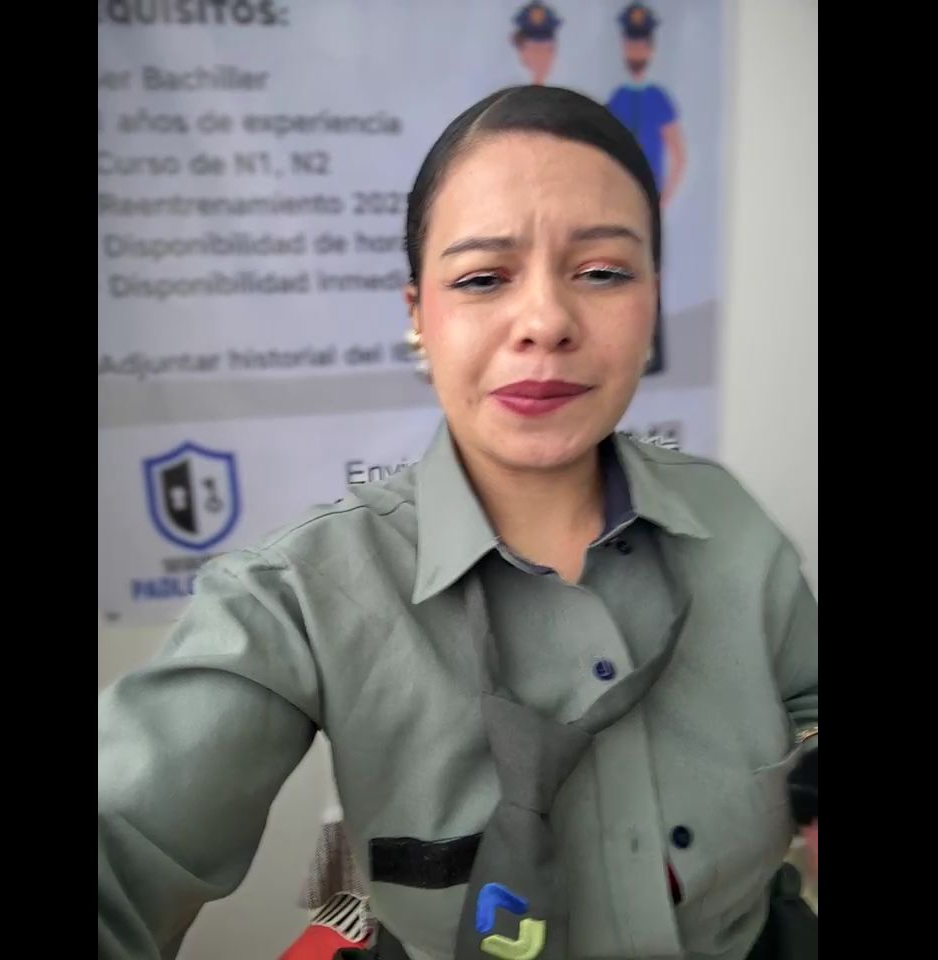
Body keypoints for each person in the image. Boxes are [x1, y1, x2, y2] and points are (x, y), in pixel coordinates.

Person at [98, 85, 817, 960]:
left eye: (602, 272)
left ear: (652, 301)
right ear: (417, 315)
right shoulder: (299, 596)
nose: (546, 322)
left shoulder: (727, 518)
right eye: (482, 278)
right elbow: (122, 842)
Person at [606, 3, 686, 207]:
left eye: (641, 47)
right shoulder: (617, 99)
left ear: (651, 50)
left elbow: (678, 155)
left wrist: (663, 199)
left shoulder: (658, 99)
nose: (636, 54)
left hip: (650, 194)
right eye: (632, 47)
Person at [510, 2, 561, 86]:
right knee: (531, 64)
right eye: (534, 14)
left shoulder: (549, 22)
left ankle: (537, 84)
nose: (537, 16)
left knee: (542, 69)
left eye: (539, 14)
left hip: (545, 46)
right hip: (530, 45)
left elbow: (556, 23)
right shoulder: (524, 20)